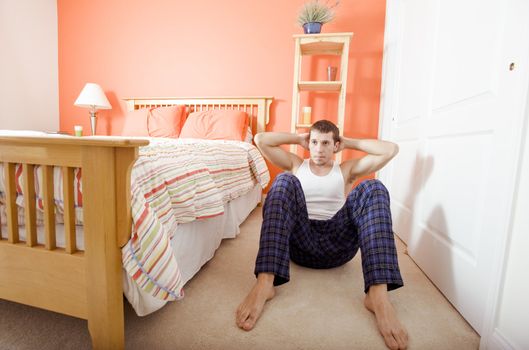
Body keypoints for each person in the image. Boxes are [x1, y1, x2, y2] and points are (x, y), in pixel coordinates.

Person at [235, 120, 408, 350]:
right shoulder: (296, 164)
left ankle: (378, 295)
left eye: (326, 143)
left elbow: (391, 150)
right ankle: (265, 282)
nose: (319, 149)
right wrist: (298, 139)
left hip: (338, 241)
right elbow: (260, 140)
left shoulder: (346, 170)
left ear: (335, 146)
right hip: (300, 240)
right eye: (314, 142)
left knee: (374, 188)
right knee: (283, 181)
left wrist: (350, 142)